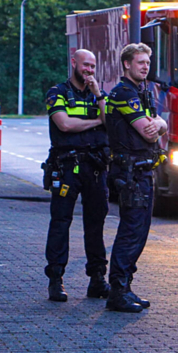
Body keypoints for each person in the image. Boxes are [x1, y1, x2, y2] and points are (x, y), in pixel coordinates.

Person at [42, 49, 111, 302]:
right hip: (67, 167)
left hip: (95, 168)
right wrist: (96, 122)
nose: (89, 70)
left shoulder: (99, 95)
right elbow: (65, 124)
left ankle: (97, 279)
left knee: (96, 224)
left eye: (93, 66)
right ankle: (55, 280)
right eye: (85, 65)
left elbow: (110, 122)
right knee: (60, 223)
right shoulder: (57, 92)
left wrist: (98, 94)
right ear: (74, 63)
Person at [104, 43, 167, 314]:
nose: (145, 67)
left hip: (141, 171)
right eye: (140, 62)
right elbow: (148, 132)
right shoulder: (124, 93)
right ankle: (117, 292)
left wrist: (160, 123)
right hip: (130, 173)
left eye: (147, 63)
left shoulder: (141, 91)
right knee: (131, 232)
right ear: (127, 64)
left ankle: (126, 287)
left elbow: (158, 124)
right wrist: (159, 125)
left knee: (139, 231)